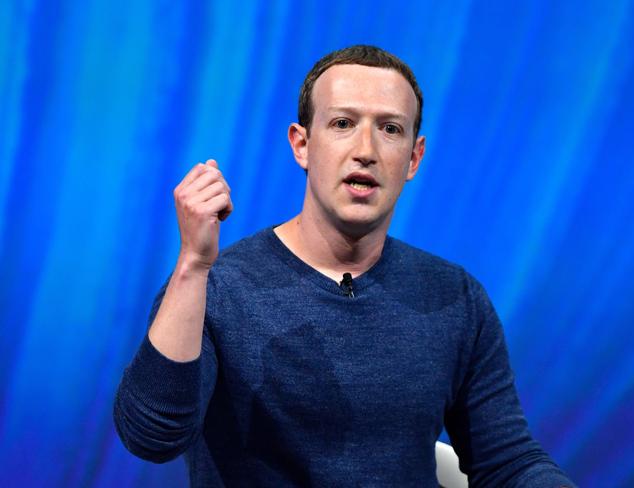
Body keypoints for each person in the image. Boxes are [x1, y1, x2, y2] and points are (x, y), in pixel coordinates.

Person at [114, 45, 575, 487]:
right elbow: (151, 437)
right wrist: (194, 265)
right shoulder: (218, 289)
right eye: (342, 123)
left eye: (390, 129)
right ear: (302, 145)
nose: (366, 150)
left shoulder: (455, 297)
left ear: (413, 158)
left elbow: (506, 461)